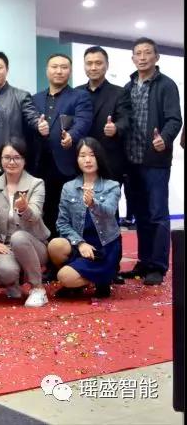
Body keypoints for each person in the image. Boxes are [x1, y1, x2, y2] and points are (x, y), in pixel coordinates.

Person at [120, 38, 182, 286]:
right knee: (141, 215)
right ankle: (144, 262)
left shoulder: (166, 85)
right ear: (133, 58)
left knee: (157, 214)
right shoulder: (128, 86)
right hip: (131, 161)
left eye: (147, 53)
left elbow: (174, 119)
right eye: (138, 53)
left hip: (155, 161)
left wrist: (164, 139)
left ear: (157, 57)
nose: (143, 57)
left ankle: (157, 266)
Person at [74, 46, 132, 284]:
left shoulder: (119, 93)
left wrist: (116, 127)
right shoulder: (77, 92)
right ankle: (78, 260)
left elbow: (127, 119)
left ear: (106, 65)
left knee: (109, 216)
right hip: (80, 163)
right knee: (78, 213)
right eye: (89, 63)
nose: (93, 67)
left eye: (98, 63)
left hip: (109, 164)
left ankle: (112, 266)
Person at [0, 138, 51, 307]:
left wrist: (25, 209)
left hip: (33, 245)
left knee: (19, 238)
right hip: (6, 246)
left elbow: (35, 215)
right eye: (7, 157)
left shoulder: (36, 184)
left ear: (24, 160)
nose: (11, 162)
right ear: (1, 160)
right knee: (5, 272)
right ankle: (13, 283)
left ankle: (38, 288)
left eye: (17, 157)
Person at [48, 138, 122, 298]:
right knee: (55, 245)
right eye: (82, 156)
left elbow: (109, 212)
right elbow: (62, 223)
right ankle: (79, 280)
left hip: (104, 247)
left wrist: (93, 204)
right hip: (79, 244)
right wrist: (80, 243)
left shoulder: (112, 186)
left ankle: (102, 279)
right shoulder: (69, 187)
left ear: (99, 157)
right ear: (76, 159)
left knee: (64, 277)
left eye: (92, 155)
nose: (87, 160)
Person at [29, 54, 93, 239]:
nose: (59, 71)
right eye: (54, 66)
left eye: (64, 67)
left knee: (68, 213)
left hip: (66, 165)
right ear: (47, 70)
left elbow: (83, 121)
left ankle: (67, 250)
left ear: (70, 71)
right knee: (42, 212)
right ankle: (46, 249)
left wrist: (72, 136)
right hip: (39, 165)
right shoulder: (35, 99)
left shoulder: (80, 96)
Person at [0, 51, 39, 196]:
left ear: (7, 69)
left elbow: (33, 118)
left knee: (14, 205)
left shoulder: (21, 96)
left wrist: (39, 124)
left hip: (12, 163)